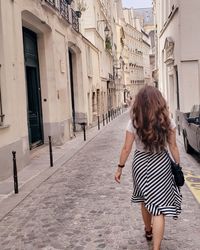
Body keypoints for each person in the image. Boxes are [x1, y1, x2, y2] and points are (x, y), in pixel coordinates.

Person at [114, 86, 182, 250]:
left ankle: (148, 230)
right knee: (159, 208)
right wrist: (178, 167)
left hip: (141, 163)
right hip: (161, 164)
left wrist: (119, 168)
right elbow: (173, 146)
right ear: (159, 102)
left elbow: (126, 148)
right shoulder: (167, 120)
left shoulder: (135, 121)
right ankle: (156, 248)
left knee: (145, 199)